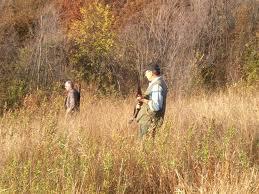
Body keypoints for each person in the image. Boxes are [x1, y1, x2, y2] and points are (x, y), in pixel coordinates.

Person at [136, 62, 168, 140]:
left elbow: (156, 106)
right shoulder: (158, 83)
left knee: (144, 148)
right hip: (149, 121)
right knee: (148, 148)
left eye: (146, 72)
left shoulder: (157, 85)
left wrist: (142, 100)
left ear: (151, 73)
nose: (145, 75)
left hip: (149, 122)